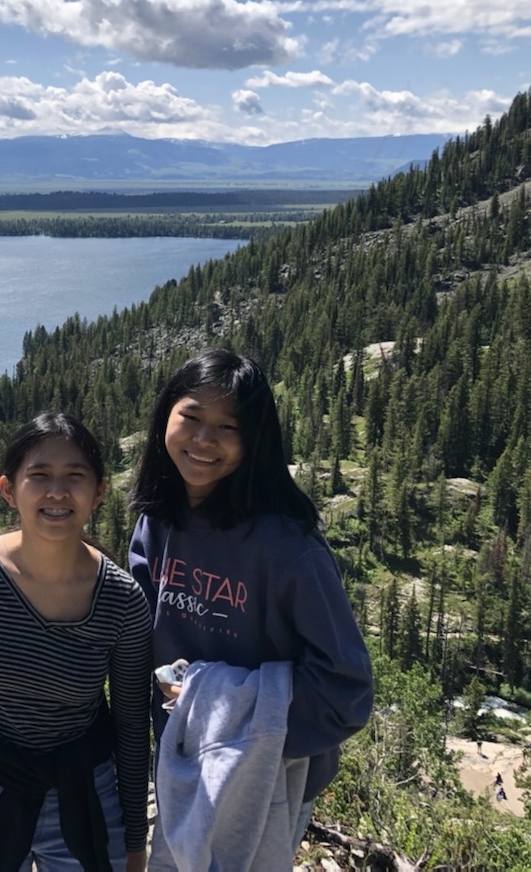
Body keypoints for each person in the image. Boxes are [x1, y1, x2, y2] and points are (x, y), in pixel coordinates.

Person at [128, 349, 374, 869]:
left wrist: (235, 720)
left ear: (255, 441)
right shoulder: (158, 522)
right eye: (191, 417)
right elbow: (136, 638)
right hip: (181, 758)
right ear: (165, 415)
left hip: (268, 777)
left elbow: (347, 690)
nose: (203, 440)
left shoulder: (288, 547)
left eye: (228, 426)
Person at [0, 412, 152, 871]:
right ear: (8, 489)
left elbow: (131, 725)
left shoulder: (122, 600)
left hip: (83, 789)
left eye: (74, 477)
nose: (57, 492)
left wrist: (135, 840)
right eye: (39, 475)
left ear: (99, 492)